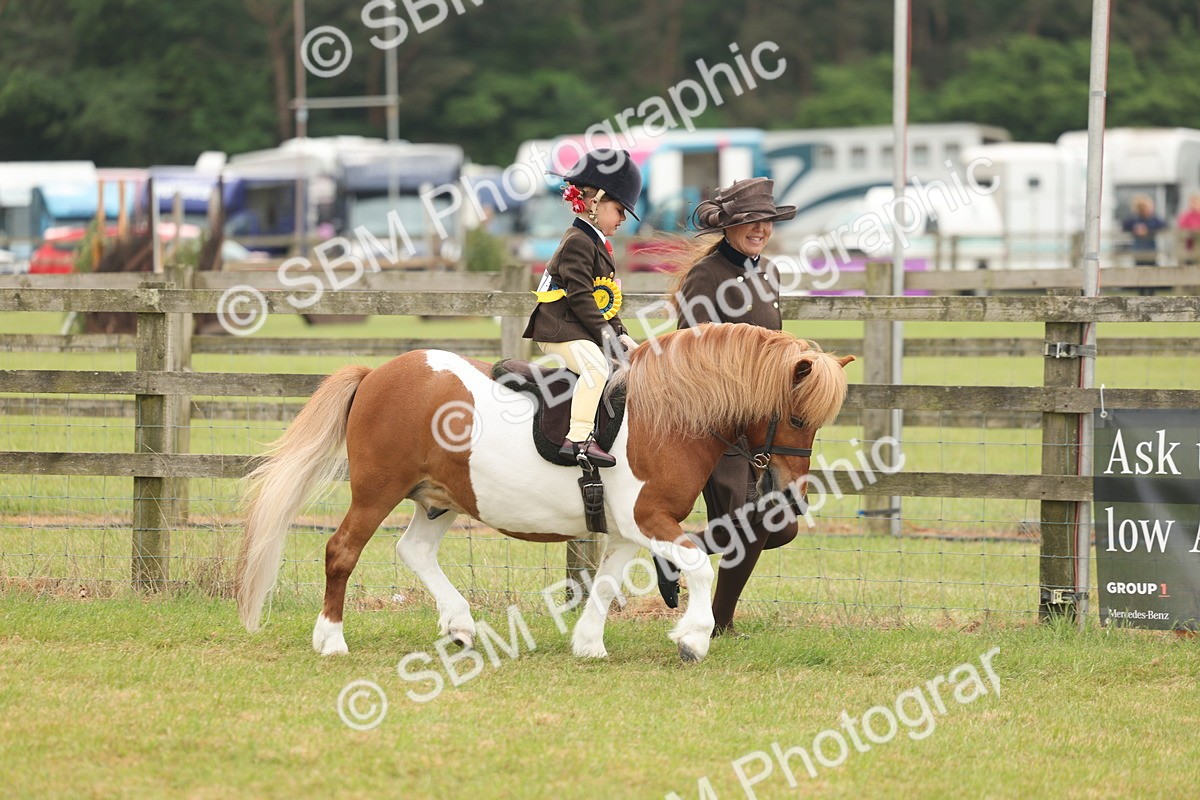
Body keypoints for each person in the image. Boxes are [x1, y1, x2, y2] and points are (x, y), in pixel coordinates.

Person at [653, 177, 799, 634]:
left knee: (782, 523)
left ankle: (681, 549)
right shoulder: (706, 276)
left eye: (766, 221)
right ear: (730, 225)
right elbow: (690, 349)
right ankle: (721, 622)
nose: (760, 229)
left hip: (764, 424)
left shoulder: (769, 272)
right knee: (750, 520)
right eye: (750, 221)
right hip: (716, 424)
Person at [522, 149, 642, 467]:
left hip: (577, 326)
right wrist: (608, 338)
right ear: (595, 203)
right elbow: (580, 298)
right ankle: (578, 439)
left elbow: (603, 299)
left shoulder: (595, 241)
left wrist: (623, 335)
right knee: (596, 368)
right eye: (619, 209)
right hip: (558, 328)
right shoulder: (577, 241)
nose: (623, 218)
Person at [1176, 192, 1200, 265]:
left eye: (1195, 202)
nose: (1193, 205)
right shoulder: (1185, 215)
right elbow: (1181, 227)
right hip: (1189, 245)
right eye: (1192, 202)